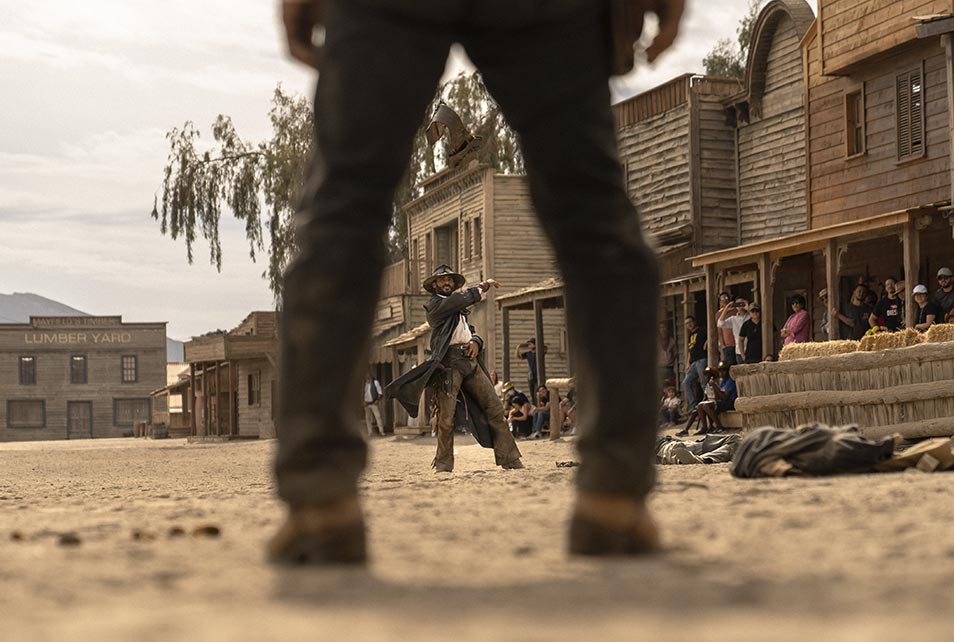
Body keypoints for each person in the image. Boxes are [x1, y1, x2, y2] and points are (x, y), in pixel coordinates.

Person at [270, 0, 685, 564]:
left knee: (344, 209)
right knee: (591, 211)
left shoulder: (450, 300)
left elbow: (465, 296)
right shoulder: (441, 305)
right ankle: (614, 497)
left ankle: (321, 503)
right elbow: (463, 299)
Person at [390, 265, 524, 471]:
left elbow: (469, 331)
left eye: (450, 280)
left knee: (496, 409)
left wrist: (476, 342)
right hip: (448, 365)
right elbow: (459, 300)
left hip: (469, 362)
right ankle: (443, 465)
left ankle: (511, 459)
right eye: (442, 280)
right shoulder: (435, 306)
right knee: (446, 418)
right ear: (434, 285)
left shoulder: (458, 309)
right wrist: (483, 286)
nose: (447, 283)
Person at [695, 361, 737, 433]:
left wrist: (714, 386)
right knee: (700, 406)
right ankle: (705, 427)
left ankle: (720, 427)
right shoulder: (722, 382)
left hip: (730, 402)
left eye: (724, 370)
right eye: (719, 370)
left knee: (706, 406)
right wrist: (714, 388)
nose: (721, 372)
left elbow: (725, 398)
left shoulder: (730, 382)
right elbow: (718, 397)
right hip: (722, 402)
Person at [682, 315, 708, 414]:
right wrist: (687, 362)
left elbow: (712, 334)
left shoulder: (702, 330)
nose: (689, 325)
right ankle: (694, 407)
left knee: (703, 382)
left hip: (701, 359)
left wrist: (707, 343)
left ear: (694, 322)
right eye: (687, 324)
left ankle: (707, 404)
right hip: (693, 362)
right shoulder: (690, 335)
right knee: (686, 383)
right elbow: (689, 350)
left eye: (690, 322)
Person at [717, 297, 749, 364]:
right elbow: (720, 324)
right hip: (739, 351)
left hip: (751, 349)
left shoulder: (750, 317)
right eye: (738, 304)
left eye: (741, 303)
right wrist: (726, 309)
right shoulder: (733, 319)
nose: (740, 305)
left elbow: (758, 318)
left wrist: (747, 308)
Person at [715, 292, 736, 363]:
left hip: (737, 342)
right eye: (722, 298)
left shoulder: (735, 310)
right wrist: (722, 344)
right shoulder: (718, 314)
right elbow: (719, 330)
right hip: (727, 344)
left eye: (726, 298)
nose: (724, 300)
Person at [658, 321, 677, 386]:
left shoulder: (672, 341)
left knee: (670, 387)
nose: (662, 329)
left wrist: (675, 368)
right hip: (659, 368)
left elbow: (675, 355)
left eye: (664, 327)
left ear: (667, 328)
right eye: (660, 327)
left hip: (669, 368)